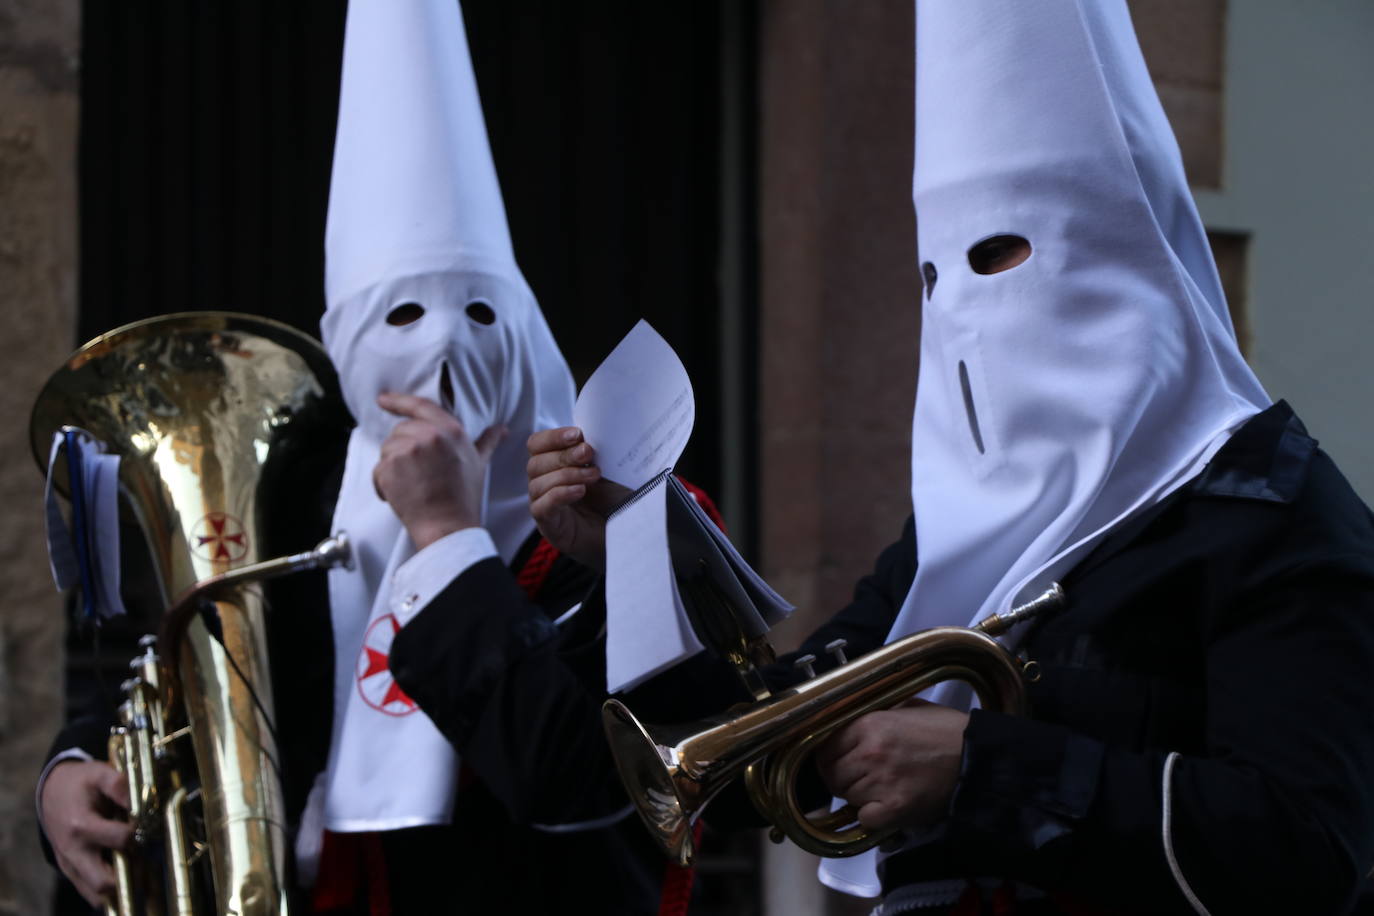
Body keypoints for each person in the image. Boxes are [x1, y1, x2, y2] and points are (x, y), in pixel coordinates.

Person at [528, 1, 1374, 913]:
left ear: (1120, 247)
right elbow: (755, 757)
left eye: (999, 254)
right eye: (934, 273)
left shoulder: (1274, 513)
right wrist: (632, 557)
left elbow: (1313, 850)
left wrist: (986, 768)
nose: (961, 304)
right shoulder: (962, 520)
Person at [38, 1, 693, 913]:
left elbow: (572, 779)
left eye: (478, 313)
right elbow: (187, 689)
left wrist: (445, 533)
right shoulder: (298, 504)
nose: (445, 356)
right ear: (346, 350)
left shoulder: (628, 507)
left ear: (523, 324)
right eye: (400, 319)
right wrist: (68, 778)